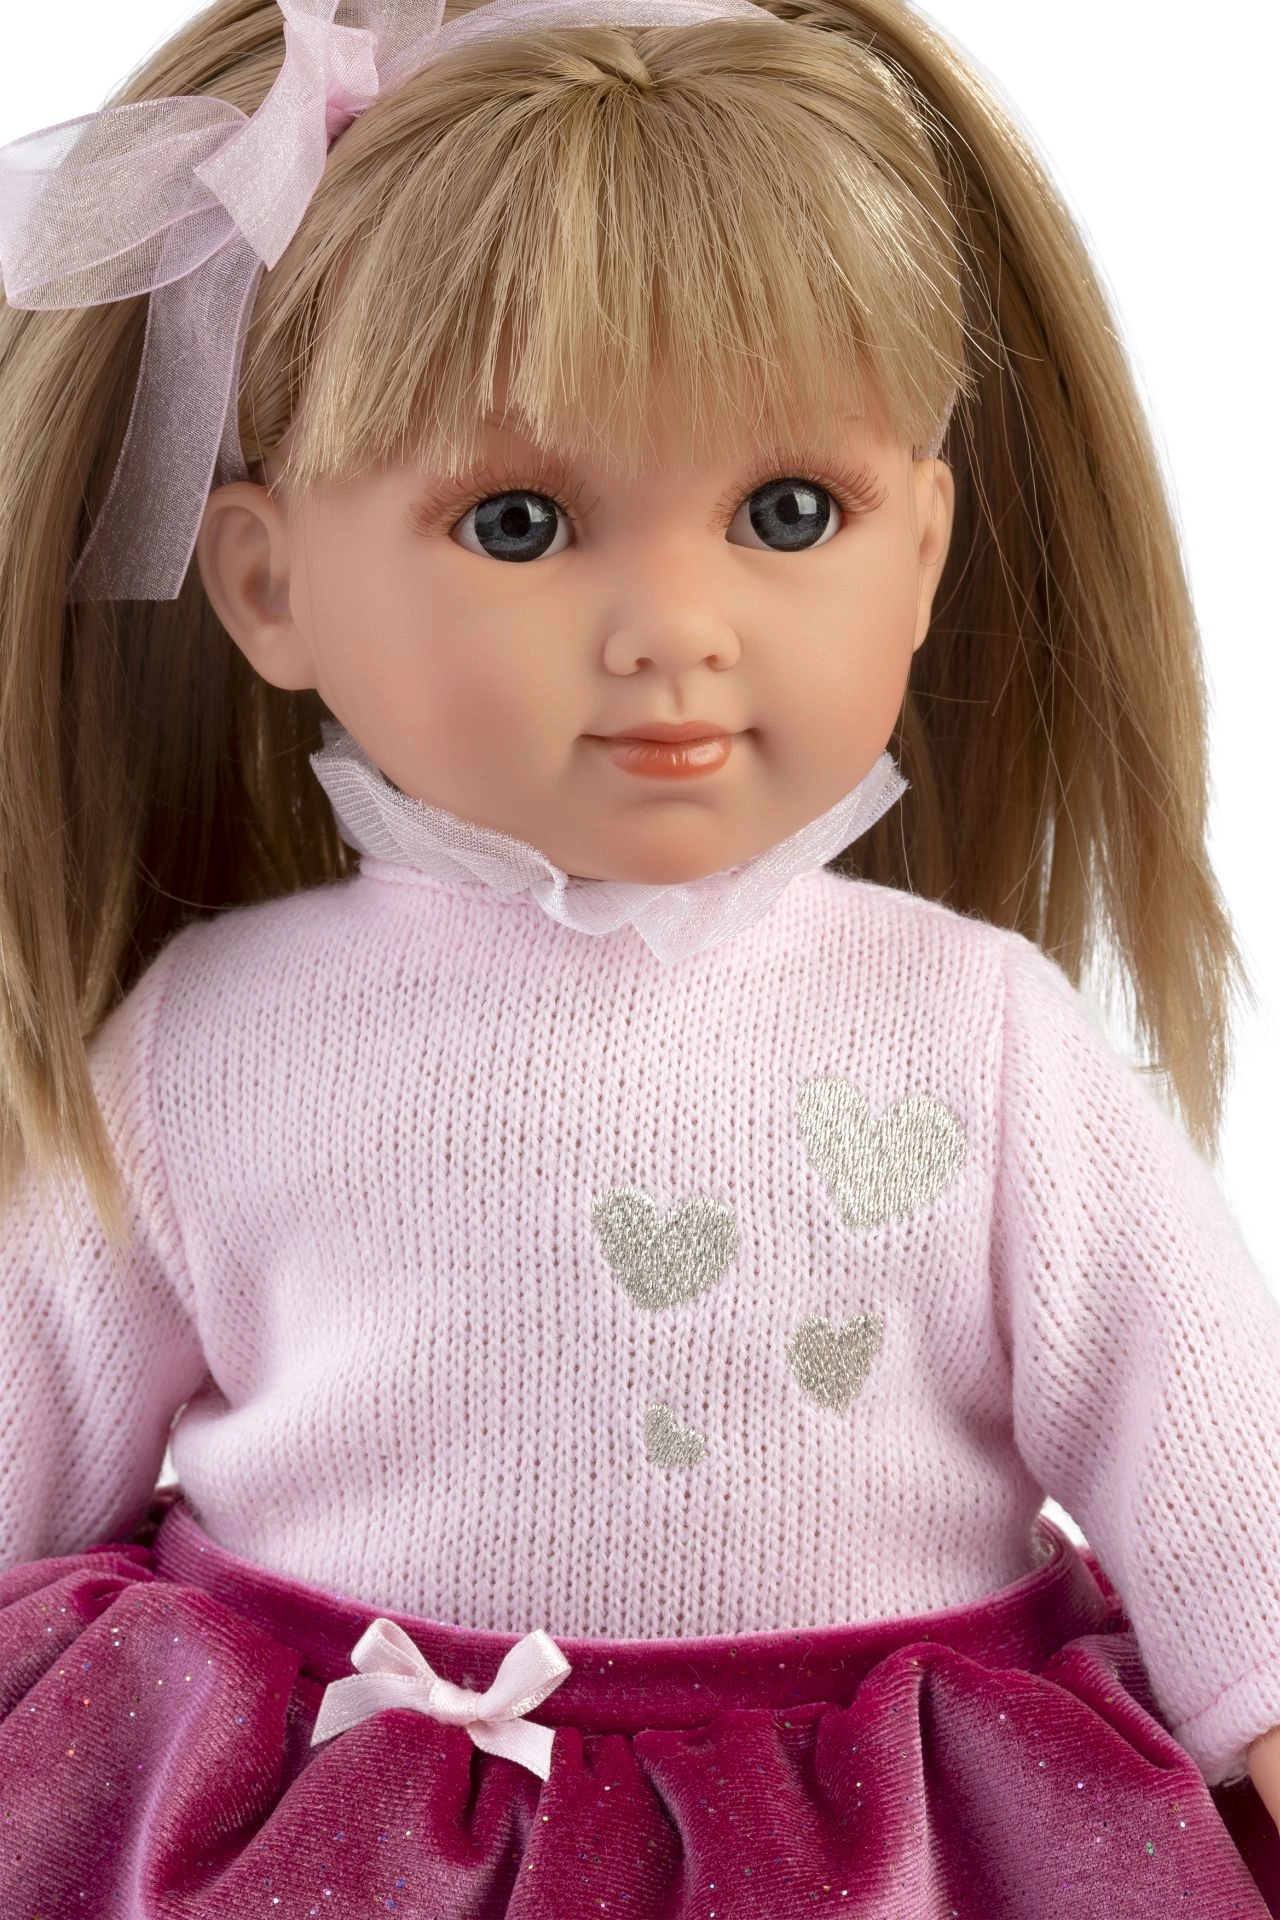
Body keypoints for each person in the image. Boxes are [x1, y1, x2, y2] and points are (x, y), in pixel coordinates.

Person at [2, 0, 1278, 1911]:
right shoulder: (213, 1042)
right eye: (519, 523)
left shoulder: (975, 1035)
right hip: (348, 1826)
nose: (674, 625)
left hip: (882, 1841)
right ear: (270, 585)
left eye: (789, 513)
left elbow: (1204, 1432)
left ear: (925, 549)